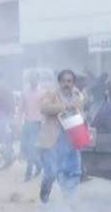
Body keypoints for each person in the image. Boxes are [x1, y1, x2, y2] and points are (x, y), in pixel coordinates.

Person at [37, 69, 85, 204]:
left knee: (72, 173)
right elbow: (44, 107)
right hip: (53, 141)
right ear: (59, 82)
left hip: (71, 140)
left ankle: (69, 205)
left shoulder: (78, 95)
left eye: (69, 81)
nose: (66, 84)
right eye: (64, 81)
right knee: (51, 173)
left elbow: (81, 111)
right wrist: (63, 107)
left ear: (73, 83)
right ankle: (44, 200)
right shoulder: (51, 94)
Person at [20, 74, 43, 182]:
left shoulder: (42, 93)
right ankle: (39, 164)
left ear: (38, 80)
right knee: (24, 148)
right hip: (27, 122)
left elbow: (45, 110)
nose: (33, 80)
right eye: (31, 78)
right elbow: (21, 108)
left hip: (37, 123)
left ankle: (28, 175)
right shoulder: (25, 92)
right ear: (29, 80)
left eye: (35, 78)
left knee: (31, 148)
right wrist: (16, 121)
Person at [0, 80, 15, 153]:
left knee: (3, 138)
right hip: (0, 120)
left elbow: (11, 109)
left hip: (2, 120)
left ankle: (5, 153)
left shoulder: (1, 96)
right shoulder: (5, 96)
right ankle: (6, 152)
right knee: (3, 138)